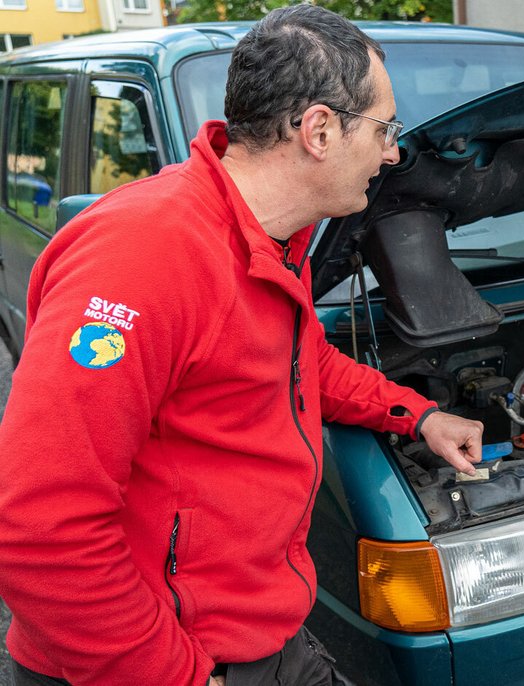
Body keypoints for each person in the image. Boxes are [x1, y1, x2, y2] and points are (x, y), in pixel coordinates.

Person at [0, 6, 483, 685]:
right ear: (318, 130)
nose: (394, 152)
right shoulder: (143, 258)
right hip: (151, 660)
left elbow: (300, 360)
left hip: (262, 636)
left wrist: (417, 414)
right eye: (384, 129)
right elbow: (41, 528)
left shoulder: (275, 240)